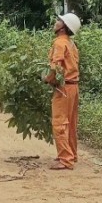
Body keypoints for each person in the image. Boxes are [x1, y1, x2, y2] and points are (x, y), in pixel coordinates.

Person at [44, 12, 81, 170]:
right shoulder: (71, 44)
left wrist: (49, 79)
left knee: (60, 122)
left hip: (64, 87)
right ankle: (71, 154)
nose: (56, 22)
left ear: (64, 27)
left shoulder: (59, 43)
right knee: (71, 122)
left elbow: (56, 66)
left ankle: (65, 160)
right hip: (73, 86)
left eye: (59, 20)